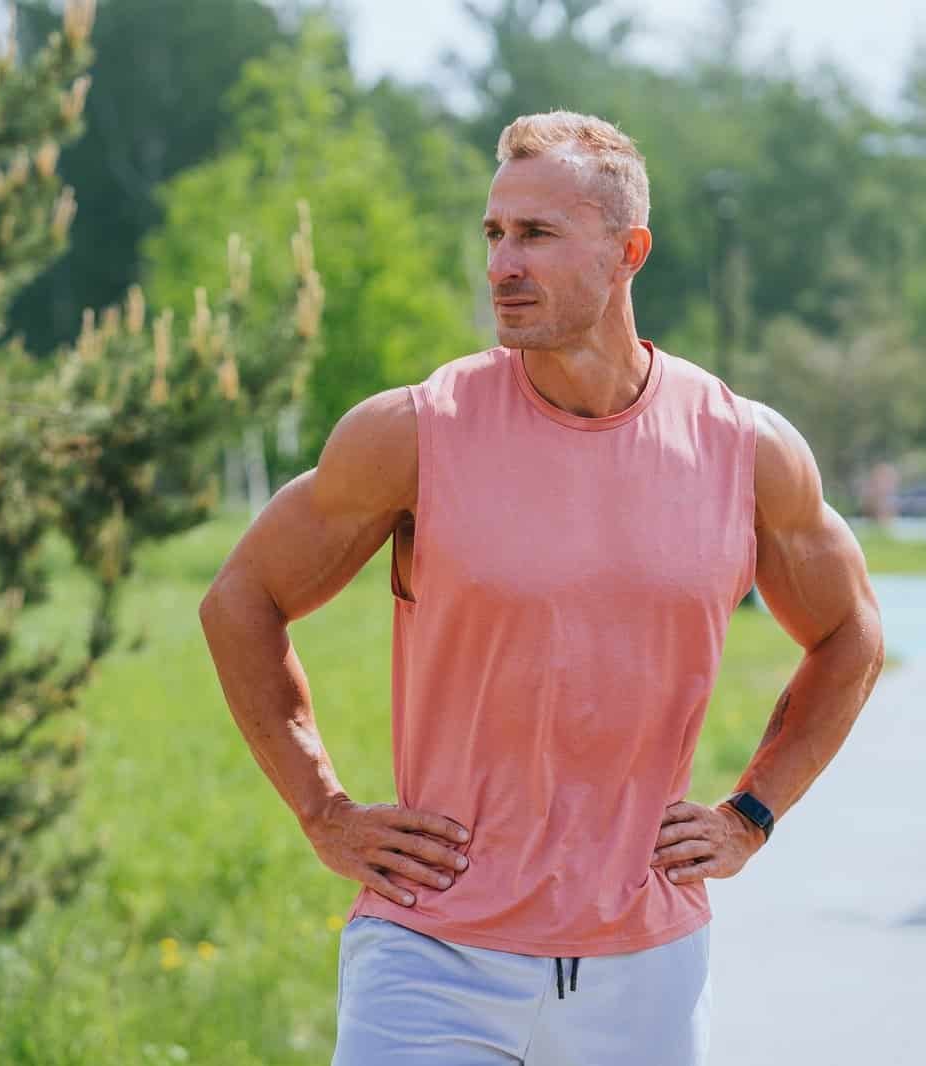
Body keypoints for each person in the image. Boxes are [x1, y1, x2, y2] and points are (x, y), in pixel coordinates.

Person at [198, 111, 885, 1065]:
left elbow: (851, 633)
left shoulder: (743, 447)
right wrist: (325, 811)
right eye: (494, 233)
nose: (502, 264)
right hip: (432, 952)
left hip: (644, 967)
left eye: (536, 234)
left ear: (627, 252)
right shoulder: (415, 431)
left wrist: (751, 815)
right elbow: (240, 600)